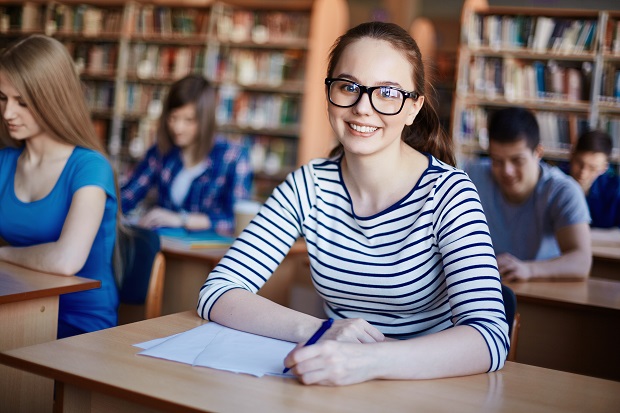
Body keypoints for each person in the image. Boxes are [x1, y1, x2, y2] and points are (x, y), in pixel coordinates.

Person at [198, 22, 508, 386]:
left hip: (426, 388)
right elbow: (217, 292)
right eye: (348, 87)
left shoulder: (449, 193)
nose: (363, 107)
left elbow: (490, 337)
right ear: (329, 94)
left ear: (413, 108)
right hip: (335, 382)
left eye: (388, 93)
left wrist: (370, 361)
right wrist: (322, 330)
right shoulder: (309, 184)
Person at [0, 35, 119, 338]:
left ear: (52, 99)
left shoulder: (90, 167)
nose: (7, 114)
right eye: (2, 98)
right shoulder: (5, 161)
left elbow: (66, 261)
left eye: (22, 102)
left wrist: (4, 254)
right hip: (16, 309)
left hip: (79, 324)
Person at [465, 107, 591, 282]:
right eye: (497, 161)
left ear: (538, 152)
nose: (507, 171)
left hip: (540, 291)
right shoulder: (472, 175)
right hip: (481, 284)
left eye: (517, 161)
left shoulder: (563, 190)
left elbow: (581, 261)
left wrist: (528, 269)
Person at [120, 74, 253, 236]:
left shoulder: (234, 157)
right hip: (165, 249)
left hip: (210, 258)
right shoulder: (160, 151)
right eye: (173, 118)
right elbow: (128, 196)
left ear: (205, 120)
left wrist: (182, 219)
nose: (178, 128)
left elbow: (237, 221)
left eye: (188, 120)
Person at [569, 130, 620, 228]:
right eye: (579, 163)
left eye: (592, 168)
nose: (583, 173)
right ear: (572, 155)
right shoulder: (553, 182)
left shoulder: (616, 190)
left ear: (604, 168)